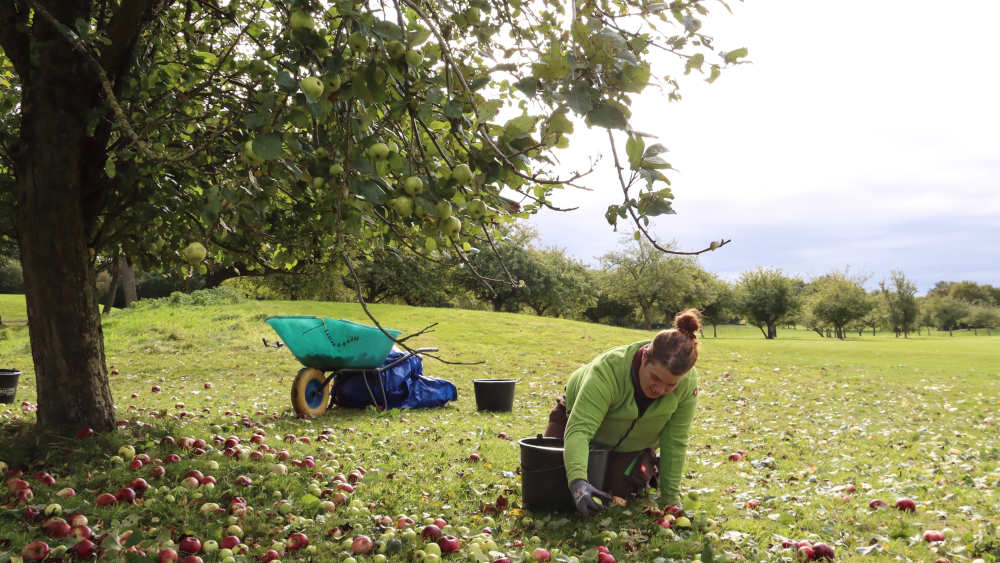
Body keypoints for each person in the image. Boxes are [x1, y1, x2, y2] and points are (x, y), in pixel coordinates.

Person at [544, 309, 702, 516]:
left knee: (615, 493)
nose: (660, 389)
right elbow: (580, 430)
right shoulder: (608, 370)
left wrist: (670, 501)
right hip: (574, 421)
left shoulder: (687, 384)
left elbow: (675, 441)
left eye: (670, 385)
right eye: (655, 378)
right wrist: (578, 482)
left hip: (632, 442)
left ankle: (642, 464)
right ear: (645, 356)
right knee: (554, 488)